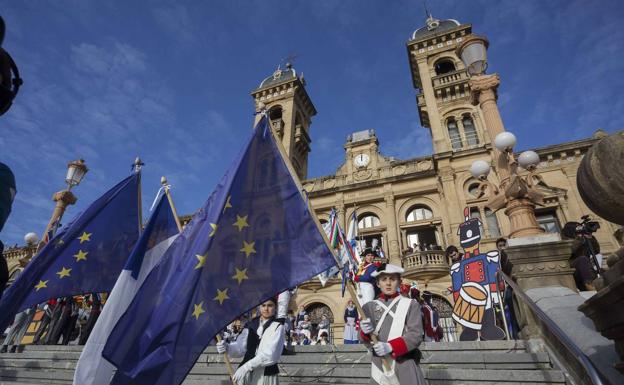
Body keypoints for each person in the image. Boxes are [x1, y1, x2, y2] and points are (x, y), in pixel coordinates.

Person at [359, 263, 427, 385]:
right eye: (384, 279)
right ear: (378, 283)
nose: (388, 283)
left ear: (399, 282)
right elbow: (364, 340)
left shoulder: (411, 304)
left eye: (392, 279)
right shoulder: (368, 307)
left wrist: (391, 346)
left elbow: (416, 335)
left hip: (404, 363)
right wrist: (364, 332)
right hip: (380, 365)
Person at [216, 297, 285, 385]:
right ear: (259, 307)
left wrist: (246, 367)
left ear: (275, 307)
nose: (266, 309)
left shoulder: (277, 327)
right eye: (263, 305)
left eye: (270, 305)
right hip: (247, 375)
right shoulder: (251, 325)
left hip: (265, 374)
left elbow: (270, 355)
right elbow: (240, 348)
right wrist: (227, 347)